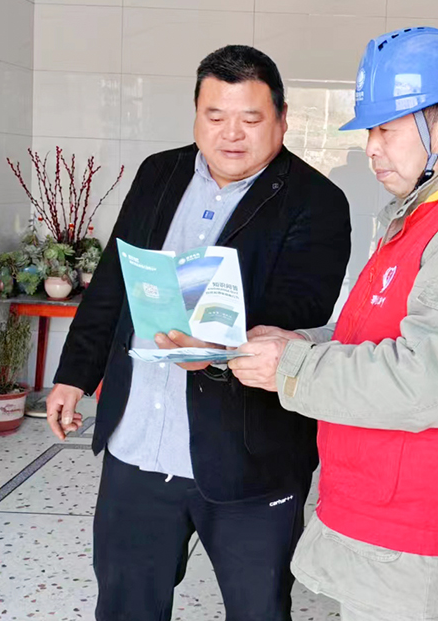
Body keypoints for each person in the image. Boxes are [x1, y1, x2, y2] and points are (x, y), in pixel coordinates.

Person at [230, 27, 438, 621]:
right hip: (378, 512)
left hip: (418, 529)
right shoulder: (422, 215)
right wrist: (299, 342)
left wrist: (291, 369)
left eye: (387, 130)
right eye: (370, 132)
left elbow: (429, 381)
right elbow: (375, 336)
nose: (371, 149)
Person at [45, 45, 352, 621]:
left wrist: (215, 349)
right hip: (138, 443)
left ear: (282, 119)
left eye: (251, 118)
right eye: (215, 116)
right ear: (195, 115)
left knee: (258, 609)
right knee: (126, 605)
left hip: (249, 454)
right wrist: (74, 376)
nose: (231, 134)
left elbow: (301, 304)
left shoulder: (317, 201)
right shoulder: (158, 173)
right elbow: (114, 280)